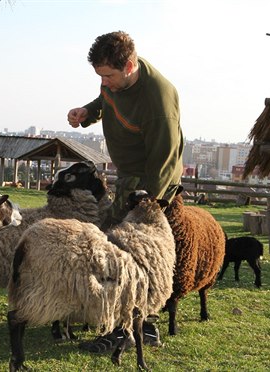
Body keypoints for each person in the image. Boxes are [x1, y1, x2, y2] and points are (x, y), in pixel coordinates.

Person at [67, 31, 184, 352]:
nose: (104, 83)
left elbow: (166, 156)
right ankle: (130, 322)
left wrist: (146, 205)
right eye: (100, 77)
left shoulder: (158, 99)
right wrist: (88, 112)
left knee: (129, 254)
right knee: (109, 246)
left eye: (108, 76)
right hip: (128, 177)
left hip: (150, 184)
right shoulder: (115, 81)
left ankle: (131, 328)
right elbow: (107, 100)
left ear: (129, 65)